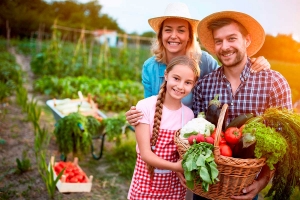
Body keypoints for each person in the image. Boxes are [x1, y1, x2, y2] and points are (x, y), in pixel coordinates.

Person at [192, 11, 292, 200]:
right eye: (219, 41)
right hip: (205, 186)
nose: (225, 46)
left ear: (247, 40)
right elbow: (196, 137)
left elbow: (281, 144)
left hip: (244, 189)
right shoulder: (203, 86)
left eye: (231, 38)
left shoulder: (274, 83)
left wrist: (261, 183)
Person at [126, 2, 270, 126]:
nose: (173, 36)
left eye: (181, 30)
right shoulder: (150, 67)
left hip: (192, 136)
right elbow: (149, 107)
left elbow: (228, 76)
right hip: (162, 134)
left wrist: (257, 62)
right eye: (168, 30)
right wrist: (137, 115)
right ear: (160, 35)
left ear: (189, 35)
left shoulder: (204, 61)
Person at [127, 55, 200, 200]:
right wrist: (175, 167)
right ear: (166, 75)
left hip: (173, 189)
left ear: (194, 84)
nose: (180, 86)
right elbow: (145, 154)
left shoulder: (188, 115)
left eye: (187, 82)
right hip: (144, 186)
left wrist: (180, 172)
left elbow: (180, 154)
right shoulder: (145, 107)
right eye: (176, 78)